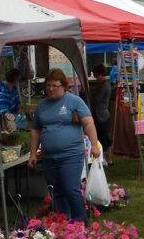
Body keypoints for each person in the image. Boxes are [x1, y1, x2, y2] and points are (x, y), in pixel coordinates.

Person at [28, 69, 102, 221]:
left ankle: (80, 222)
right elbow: (35, 131)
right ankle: (64, 222)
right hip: (49, 157)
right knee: (56, 191)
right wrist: (33, 153)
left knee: (70, 188)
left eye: (55, 85)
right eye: (48, 85)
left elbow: (88, 123)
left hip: (71, 155)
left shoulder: (74, 101)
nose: (50, 89)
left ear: (64, 86)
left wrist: (94, 145)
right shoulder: (42, 106)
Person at [88, 64, 114, 165]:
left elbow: (96, 100)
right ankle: (108, 158)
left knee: (102, 137)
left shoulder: (104, 85)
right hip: (102, 113)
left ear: (99, 74)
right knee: (104, 137)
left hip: (101, 115)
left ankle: (105, 158)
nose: (95, 77)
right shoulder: (105, 84)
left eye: (95, 75)